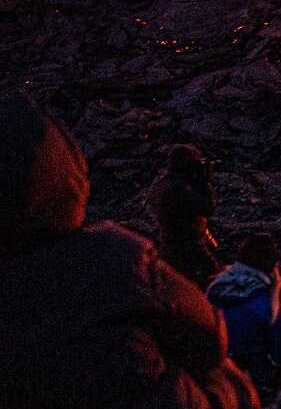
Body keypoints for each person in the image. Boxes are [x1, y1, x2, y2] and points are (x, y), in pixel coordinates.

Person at [0, 95, 256, 408]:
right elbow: (210, 341)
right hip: (189, 246)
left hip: (170, 244)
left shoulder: (160, 190)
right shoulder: (115, 261)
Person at [207, 233, 281, 400]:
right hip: (254, 377)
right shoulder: (267, 302)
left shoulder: (214, 291)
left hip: (217, 374)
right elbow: (280, 352)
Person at [153, 143, 221, 288]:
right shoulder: (180, 189)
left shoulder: (162, 183)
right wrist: (204, 181)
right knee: (216, 281)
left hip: (168, 244)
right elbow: (209, 208)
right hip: (189, 247)